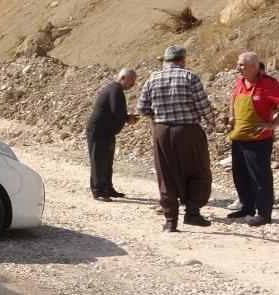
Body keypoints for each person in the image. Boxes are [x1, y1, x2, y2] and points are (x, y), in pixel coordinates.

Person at [137, 45, 215, 232]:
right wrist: (212, 122)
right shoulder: (190, 76)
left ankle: (170, 220)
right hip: (188, 131)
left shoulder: (153, 78)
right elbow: (203, 105)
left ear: (165, 60)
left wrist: (157, 117)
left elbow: (142, 108)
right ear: (182, 60)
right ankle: (193, 212)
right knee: (198, 170)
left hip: (162, 132)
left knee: (166, 174)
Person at [225, 53, 279, 227]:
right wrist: (231, 117)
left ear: (254, 67)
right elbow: (233, 99)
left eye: (242, 65)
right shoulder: (239, 82)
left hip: (258, 140)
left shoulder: (268, 84)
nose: (238, 67)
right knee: (240, 174)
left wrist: (273, 124)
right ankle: (247, 207)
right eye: (238, 64)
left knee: (260, 177)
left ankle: (264, 213)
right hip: (239, 136)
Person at [85, 68, 138, 200]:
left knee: (107, 161)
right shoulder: (115, 89)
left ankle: (107, 188)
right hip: (99, 130)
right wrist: (128, 118)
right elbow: (117, 111)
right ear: (123, 78)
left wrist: (128, 117)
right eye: (132, 80)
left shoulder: (116, 89)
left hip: (106, 131)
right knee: (99, 160)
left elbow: (116, 111)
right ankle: (98, 191)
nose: (133, 84)